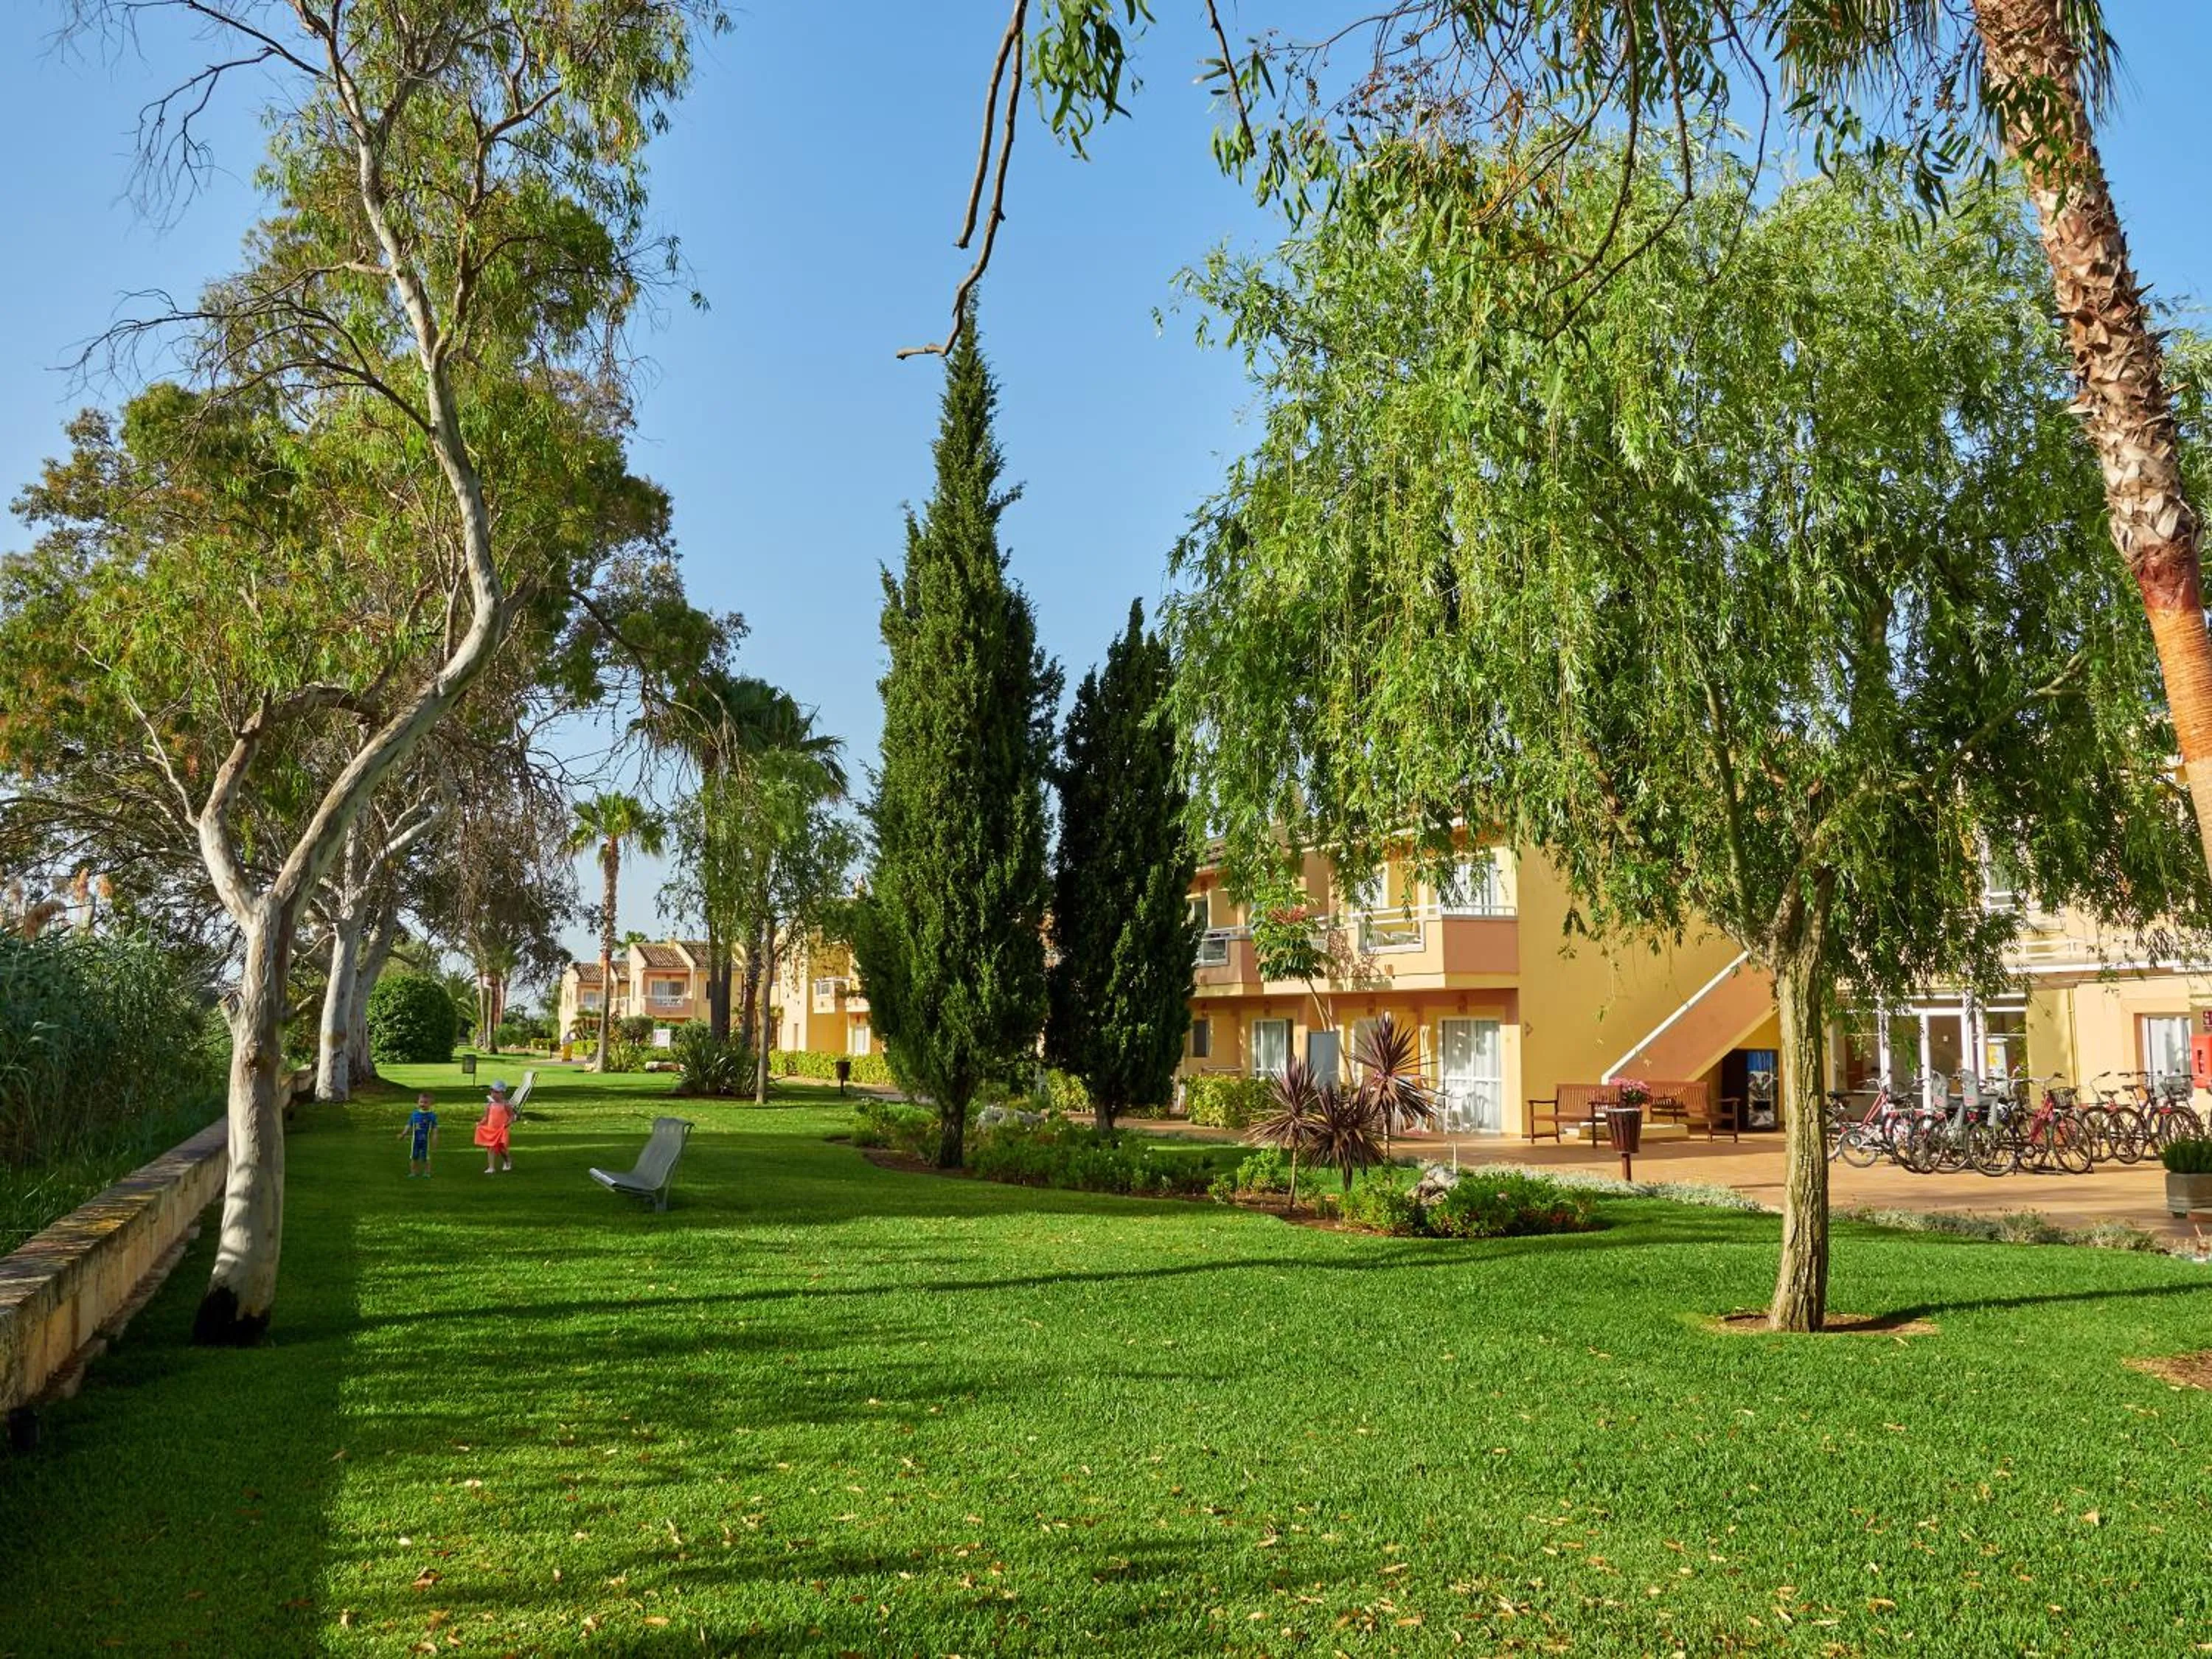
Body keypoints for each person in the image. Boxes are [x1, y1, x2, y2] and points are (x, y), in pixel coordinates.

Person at [473, 1080, 515, 1175]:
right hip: (491, 1130)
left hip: (502, 1130)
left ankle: (507, 1160)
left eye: (497, 1092)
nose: (494, 1094)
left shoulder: (506, 1105)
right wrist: (480, 1124)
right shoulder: (490, 1105)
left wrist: (508, 1124)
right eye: (492, 1092)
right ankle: (491, 1167)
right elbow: (486, 1117)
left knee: (502, 1149)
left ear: (503, 1093)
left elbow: (512, 1116)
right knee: (490, 1148)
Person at [399, 1093, 439, 1177]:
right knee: (414, 1156)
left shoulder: (432, 1116)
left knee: (426, 1157)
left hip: (426, 1141)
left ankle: (427, 1173)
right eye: (421, 1102)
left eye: (425, 1102)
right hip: (416, 1140)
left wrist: (435, 1138)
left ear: (430, 1104)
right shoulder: (414, 1114)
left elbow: (435, 1128)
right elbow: (409, 1125)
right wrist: (403, 1134)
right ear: (418, 1103)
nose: (423, 1104)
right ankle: (413, 1172)